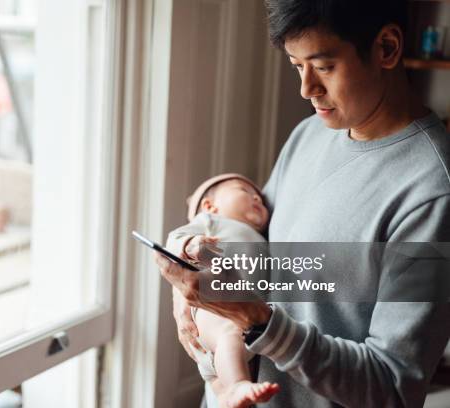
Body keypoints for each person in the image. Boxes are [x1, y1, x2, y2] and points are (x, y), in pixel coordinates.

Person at [155, 0, 450, 407]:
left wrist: (259, 322)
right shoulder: (309, 134)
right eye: (297, 65)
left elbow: (394, 387)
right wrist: (189, 286)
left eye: (323, 66)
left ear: (386, 47)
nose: (306, 88)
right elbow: (253, 244)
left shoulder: (434, 195)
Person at [166, 173, 278, 407]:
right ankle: (236, 385)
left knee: (221, 374)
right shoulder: (211, 223)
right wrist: (191, 245)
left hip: (240, 328)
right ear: (210, 206)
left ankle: (228, 393)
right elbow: (174, 238)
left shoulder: (260, 237)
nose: (257, 198)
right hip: (214, 312)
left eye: (259, 196)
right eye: (244, 191)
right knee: (230, 335)